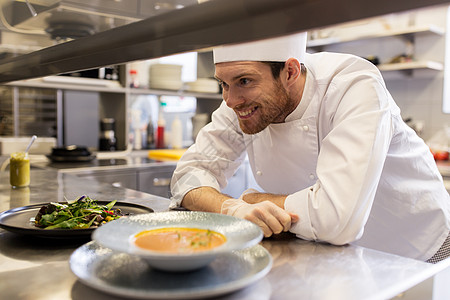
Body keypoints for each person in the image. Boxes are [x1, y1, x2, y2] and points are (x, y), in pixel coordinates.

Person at [170, 32, 450, 263]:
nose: (231, 100)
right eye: (223, 84)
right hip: (341, 256)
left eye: (245, 81)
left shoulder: (353, 86)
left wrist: (256, 202)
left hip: (419, 252)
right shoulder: (240, 103)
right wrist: (231, 207)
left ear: (290, 71)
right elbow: (188, 175)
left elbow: (335, 219)